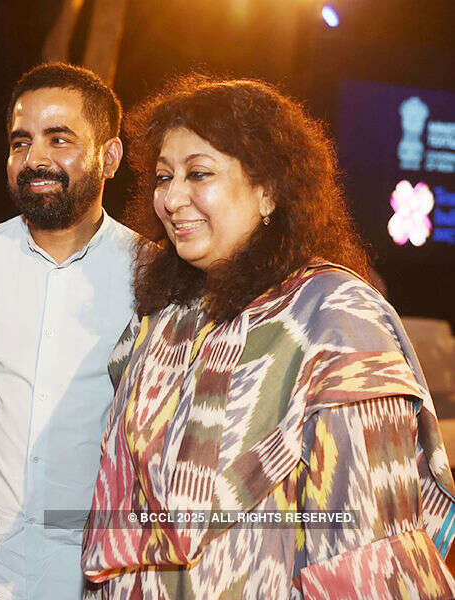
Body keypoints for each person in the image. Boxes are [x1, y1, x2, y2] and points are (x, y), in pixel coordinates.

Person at [81, 75, 455, 598]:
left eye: (199, 173)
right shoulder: (164, 319)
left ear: (268, 192)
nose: (172, 198)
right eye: (164, 177)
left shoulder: (334, 318)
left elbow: (365, 545)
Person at [0, 62, 138, 599]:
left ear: (110, 156)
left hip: (91, 571)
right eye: (21, 142)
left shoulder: (148, 274)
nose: (35, 158)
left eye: (59, 139)